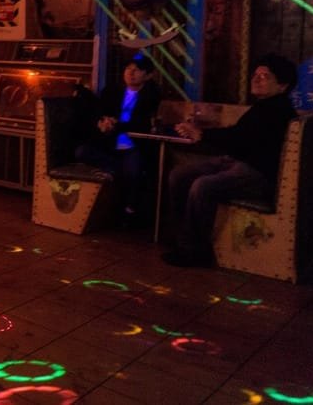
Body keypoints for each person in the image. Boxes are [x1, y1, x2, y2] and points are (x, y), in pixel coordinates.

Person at [163, 54, 298, 267]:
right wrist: (201, 132)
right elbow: (239, 134)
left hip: (259, 173)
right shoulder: (263, 106)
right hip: (239, 162)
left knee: (202, 186)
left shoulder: (279, 111)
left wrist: (202, 135)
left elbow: (242, 140)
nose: (256, 79)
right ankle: (181, 237)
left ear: (283, 85)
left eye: (265, 76)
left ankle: (195, 250)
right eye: (255, 74)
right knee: (180, 174)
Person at [74, 54, 161, 224]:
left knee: (134, 171)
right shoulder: (112, 90)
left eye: (137, 70)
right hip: (110, 143)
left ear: (148, 75)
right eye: (128, 68)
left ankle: (129, 210)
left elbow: (142, 123)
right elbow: (100, 111)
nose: (131, 72)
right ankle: (114, 168)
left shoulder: (151, 95)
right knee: (81, 151)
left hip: (134, 144)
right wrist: (102, 122)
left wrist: (116, 125)